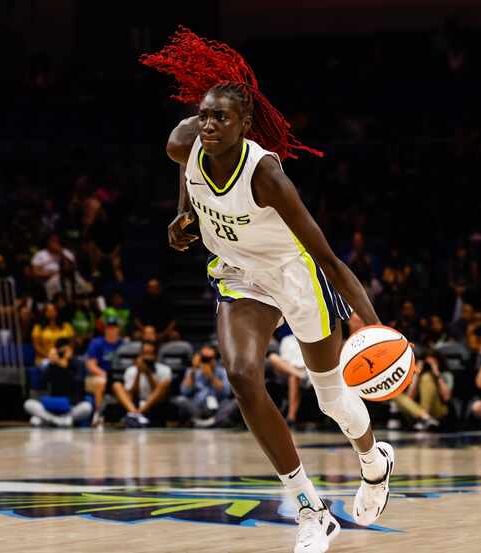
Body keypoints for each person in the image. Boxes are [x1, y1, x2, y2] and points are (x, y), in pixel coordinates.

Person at [143, 28, 394, 552]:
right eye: (203, 114)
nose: (207, 124)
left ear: (246, 124)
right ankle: (311, 508)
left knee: (331, 402)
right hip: (240, 275)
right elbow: (189, 181)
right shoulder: (183, 143)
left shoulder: (268, 176)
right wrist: (184, 219)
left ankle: (373, 459)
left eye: (221, 118)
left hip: (295, 274)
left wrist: (370, 325)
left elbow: (327, 258)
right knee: (240, 374)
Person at [23, 338, 93, 427]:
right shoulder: (52, 365)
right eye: (60, 351)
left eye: (66, 350)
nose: (63, 354)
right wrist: (51, 364)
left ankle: (49, 420)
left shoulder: (78, 364)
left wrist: (64, 367)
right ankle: (58, 421)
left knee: (87, 407)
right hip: (51, 406)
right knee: (28, 404)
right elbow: (42, 383)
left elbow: (78, 383)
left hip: (70, 405)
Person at [112, 340, 172, 428]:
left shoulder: (165, 369)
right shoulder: (132, 370)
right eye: (145, 353)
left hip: (155, 403)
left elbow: (159, 393)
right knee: (116, 385)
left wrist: (148, 374)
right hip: (135, 402)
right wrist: (138, 373)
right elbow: (131, 393)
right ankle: (136, 414)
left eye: (150, 353)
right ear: (141, 354)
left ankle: (136, 415)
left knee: (165, 383)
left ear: (155, 355)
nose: (147, 356)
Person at [173, 344, 233, 427]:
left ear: (215, 359)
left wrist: (211, 376)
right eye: (204, 358)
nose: (206, 361)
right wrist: (193, 370)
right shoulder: (192, 371)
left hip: (218, 406)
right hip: (197, 407)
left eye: (209, 359)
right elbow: (185, 392)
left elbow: (226, 393)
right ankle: (209, 421)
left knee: (233, 403)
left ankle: (209, 421)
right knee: (181, 400)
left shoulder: (223, 372)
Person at [84, 316, 123, 425]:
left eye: (114, 327)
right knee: (101, 383)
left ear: (118, 329)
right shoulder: (96, 343)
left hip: (118, 378)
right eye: (109, 327)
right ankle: (98, 415)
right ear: (105, 329)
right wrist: (105, 374)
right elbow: (90, 365)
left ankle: (128, 415)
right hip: (98, 376)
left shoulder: (124, 344)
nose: (112, 330)